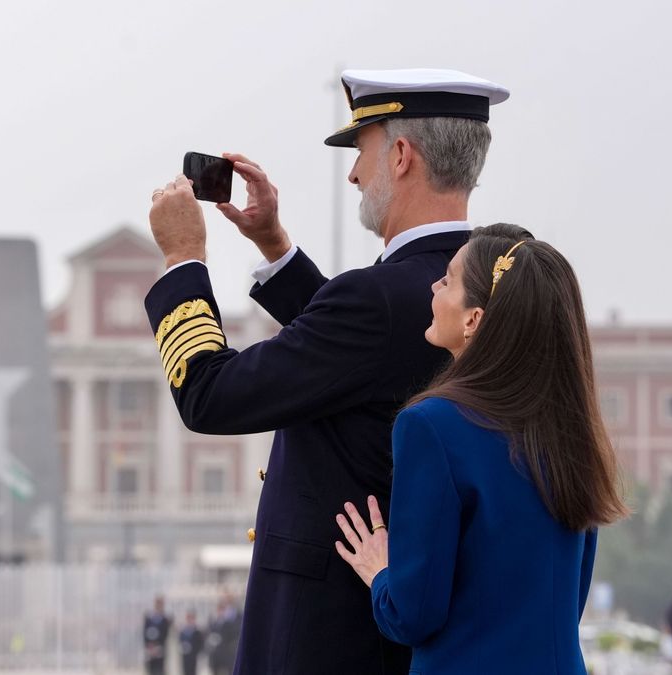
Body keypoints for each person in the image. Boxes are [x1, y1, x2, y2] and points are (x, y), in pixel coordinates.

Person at [145, 67, 508, 674]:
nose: (354, 174)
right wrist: (275, 245)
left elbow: (210, 395)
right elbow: (365, 355)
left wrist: (184, 259)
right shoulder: (487, 281)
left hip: (322, 636)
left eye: (362, 152)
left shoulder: (378, 300)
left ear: (399, 155)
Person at [331, 227, 628, 673]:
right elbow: (569, 601)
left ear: (474, 319)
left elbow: (413, 614)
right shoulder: (570, 431)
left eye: (447, 281)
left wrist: (381, 573)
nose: (434, 286)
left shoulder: (431, 426)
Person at [143, 595, 172, 675]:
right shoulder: (149, 617)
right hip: (150, 649)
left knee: (159, 670)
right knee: (150, 669)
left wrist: (158, 646)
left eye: (160, 603)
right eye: (157, 603)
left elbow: (166, 634)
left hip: (160, 649)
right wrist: (149, 646)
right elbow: (145, 633)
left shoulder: (165, 619)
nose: (158, 605)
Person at [179, 610, 205, 675]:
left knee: (193, 672)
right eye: (188, 618)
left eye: (191, 618)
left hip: (194, 656)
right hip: (185, 656)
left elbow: (200, 644)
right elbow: (180, 641)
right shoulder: (183, 631)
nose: (189, 620)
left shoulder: (197, 631)